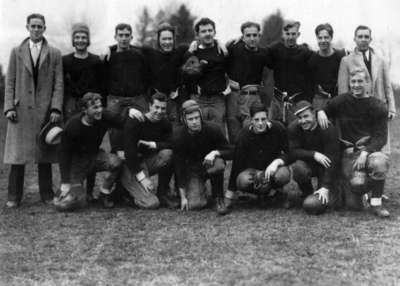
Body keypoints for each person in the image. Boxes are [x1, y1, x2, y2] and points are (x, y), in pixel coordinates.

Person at [4, 13, 63, 208]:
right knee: (17, 156)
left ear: (45, 28)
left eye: (40, 26)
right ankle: (14, 196)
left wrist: (55, 107)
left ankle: (46, 193)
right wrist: (9, 107)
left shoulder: (54, 53)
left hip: (44, 110)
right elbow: (10, 81)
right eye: (33, 26)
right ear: (27, 27)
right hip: (20, 111)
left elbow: (58, 84)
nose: (36, 30)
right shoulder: (16, 52)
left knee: (44, 153)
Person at [318, 68, 390, 218]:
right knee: (353, 205)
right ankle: (361, 192)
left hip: (368, 152)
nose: (356, 85)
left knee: (380, 162)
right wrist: (320, 112)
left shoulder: (377, 105)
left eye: (360, 81)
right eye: (353, 82)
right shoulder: (343, 100)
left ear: (368, 83)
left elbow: (381, 137)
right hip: (348, 153)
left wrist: (366, 152)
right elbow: (325, 108)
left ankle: (376, 202)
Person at [57, 92, 138, 210]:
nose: (99, 110)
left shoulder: (103, 115)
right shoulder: (72, 125)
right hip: (77, 163)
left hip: (96, 156)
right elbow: (63, 153)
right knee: (69, 203)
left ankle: (104, 194)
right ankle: (77, 192)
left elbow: (122, 122)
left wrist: (130, 111)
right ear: (84, 109)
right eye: (95, 107)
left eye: (100, 106)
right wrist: (65, 182)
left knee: (116, 162)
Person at [62, 22, 105, 200]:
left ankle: (89, 191)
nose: (80, 40)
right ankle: (72, 184)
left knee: (91, 146)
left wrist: (98, 106)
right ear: (73, 40)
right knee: (73, 147)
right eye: (77, 37)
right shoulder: (66, 61)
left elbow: (102, 84)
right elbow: (62, 85)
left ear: (88, 40)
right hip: (73, 105)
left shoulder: (96, 60)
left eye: (83, 37)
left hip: (91, 105)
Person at [225, 102, 290, 209]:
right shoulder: (243, 135)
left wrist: (277, 162)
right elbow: (237, 164)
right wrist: (229, 194)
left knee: (283, 174)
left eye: (263, 119)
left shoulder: (278, 129)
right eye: (256, 120)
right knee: (242, 180)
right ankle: (263, 194)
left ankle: (278, 192)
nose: (260, 123)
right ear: (251, 120)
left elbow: (289, 153)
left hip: (273, 170)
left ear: (268, 118)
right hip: (253, 172)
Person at [172, 100, 232, 215]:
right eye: (190, 119)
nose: (194, 122)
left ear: (200, 116)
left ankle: (219, 197)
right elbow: (178, 166)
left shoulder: (213, 129)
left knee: (219, 164)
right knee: (196, 205)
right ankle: (198, 189)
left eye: (196, 118)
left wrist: (215, 152)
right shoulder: (178, 136)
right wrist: (183, 196)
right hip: (192, 171)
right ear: (184, 120)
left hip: (209, 165)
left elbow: (229, 151)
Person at [121, 92, 176, 209]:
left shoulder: (165, 123)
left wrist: (154, 144)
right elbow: (129, 154)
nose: (159, 111)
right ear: (150, 106)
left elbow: (171, 143)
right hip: (131, 166)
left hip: (147, 163)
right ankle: (124, 192)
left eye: (163, 108)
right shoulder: (137, 121)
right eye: (156, 107)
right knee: (152, 203)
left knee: (168, 154)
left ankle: (162, 193)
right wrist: (143, 179)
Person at [103, 23, 150, 154]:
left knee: (141, 130)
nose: (124, 38)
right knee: (115, 133)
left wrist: (145, 96)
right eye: (120, 35)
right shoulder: (109, 56)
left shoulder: (139, 55)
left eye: (127, 35)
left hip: (137, 98)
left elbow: (146, 77)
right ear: (115, 36)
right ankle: (117, 162)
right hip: (116, 99)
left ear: (131, 37)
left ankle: (138, 165)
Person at [288, 100, 341, 213]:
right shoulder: (294, 128)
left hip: (327, 168)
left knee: (313, 205)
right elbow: (292, 151)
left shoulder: (327, 128)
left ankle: (336, 191)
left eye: (306, 116)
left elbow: (334, 159)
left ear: (314, 114)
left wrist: (325, 187)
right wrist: (314, 154)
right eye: (300, 118)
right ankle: (307, 192)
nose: (303, 121)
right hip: (310, 164)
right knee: (298, 167)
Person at [338, 25, 396, 119]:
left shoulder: (381, 60)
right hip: (357, 112)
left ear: (370, 39)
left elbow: (388, 86)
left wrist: (391, 109)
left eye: (366, 37)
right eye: (360, 37)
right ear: (355, 39)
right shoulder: (346, 61)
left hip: (379, 109)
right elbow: (342, 91)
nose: (363, 39)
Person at [225, 21, 269, 143]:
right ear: (242, 37)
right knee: (234, 134)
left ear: (259, 36)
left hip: (252, 98)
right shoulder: (234, 48)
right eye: (248, 35)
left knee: (253, 133)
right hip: (233, 96)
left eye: (255, 35)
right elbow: (217, 55)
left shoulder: (264, 53)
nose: (252, 38)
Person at [183, 18, 229, 134]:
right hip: (199, 99)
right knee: (198, 132)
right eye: (203, 31)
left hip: (218, 99)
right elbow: (186, 76)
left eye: (210, 30)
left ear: (214, 32)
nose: (208, 34)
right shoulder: (193, 53)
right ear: (197, 35)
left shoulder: (222, 51)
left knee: (219, 132)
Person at [266, 20, 313, 124]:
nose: (290, 37)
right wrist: (240, 39)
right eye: (287, 34)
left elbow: (318, 61)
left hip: (296, 100)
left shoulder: (305, 52)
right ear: (283, 34)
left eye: (293, 34)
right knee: (273, 130)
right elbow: (258, 52)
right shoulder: (275, 48)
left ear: (298, 34)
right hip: (277, 100)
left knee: (294, 130)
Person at [307, 23, 346, 109]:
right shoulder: (312, 59)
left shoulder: (340, 56)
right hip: (320, 101)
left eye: (326, 37)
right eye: (320, 38)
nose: (323, 40)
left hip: (338, 99)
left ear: (331, 38)